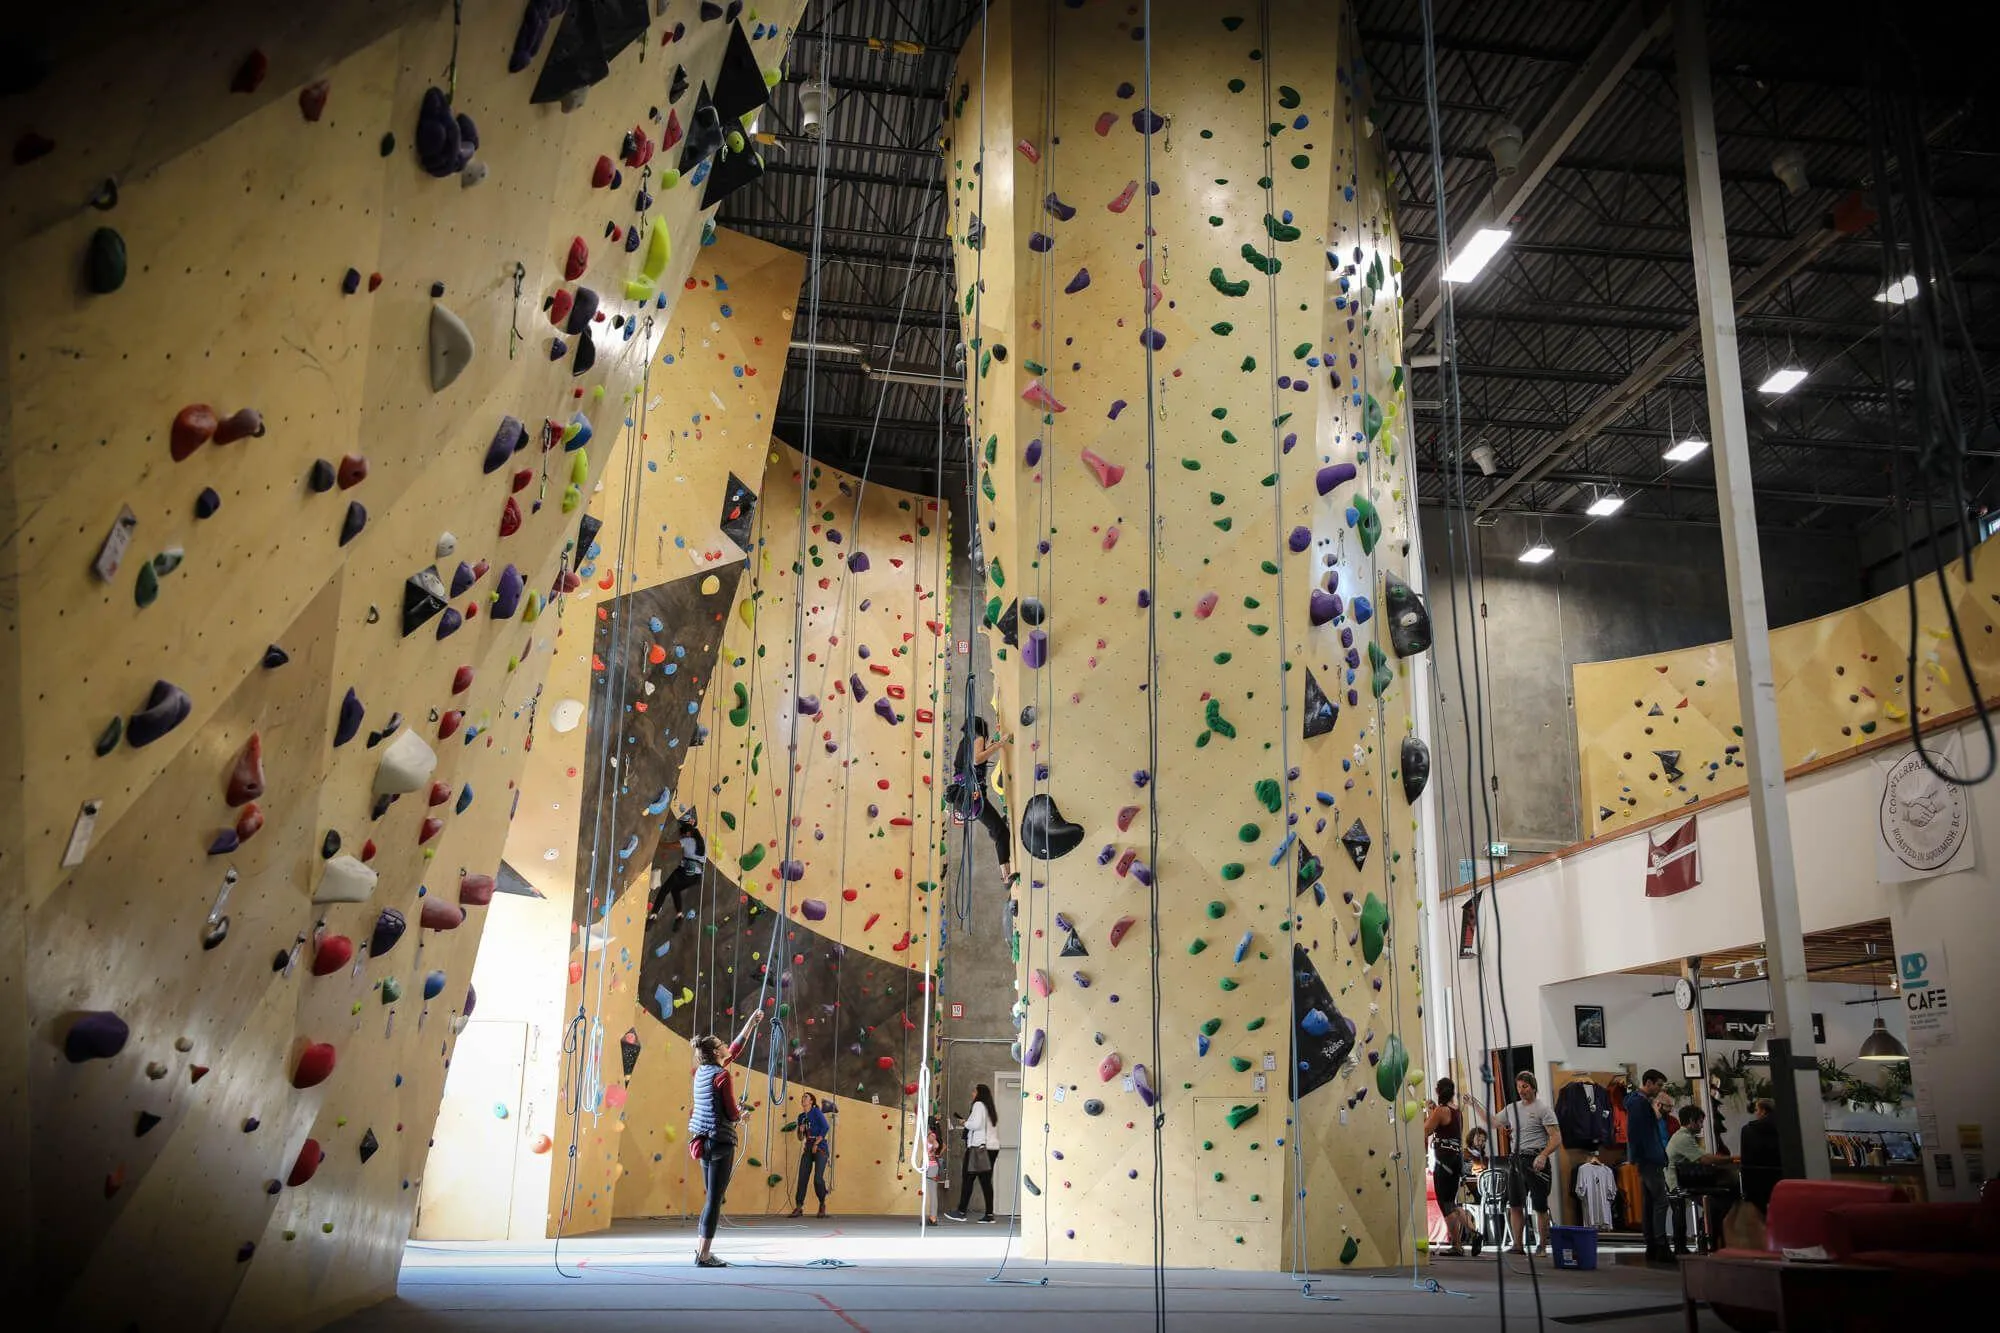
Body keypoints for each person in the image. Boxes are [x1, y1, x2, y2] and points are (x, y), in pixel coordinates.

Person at [688, 1008, 764, 1267]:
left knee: (711, 1198)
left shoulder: (703, 1071)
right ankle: (704, 1255)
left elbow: (735, 1049)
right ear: (716, 1052)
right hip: (720, 1141)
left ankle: (701, 1250)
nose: (725, 1046)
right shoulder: (722, 1075)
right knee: (714, 1200)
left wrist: (750, 1024)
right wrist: (741, 1116)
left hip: (703, 1140)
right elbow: (731, 1112)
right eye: (721, 1044)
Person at [1497, 1070, 1561, 1255]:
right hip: (1516, 1160)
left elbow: (1556, 1138)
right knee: (1515, 1204)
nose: (1521, 1090)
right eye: (1518, 1087)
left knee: (1540, 1205)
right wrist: (1474, 1105)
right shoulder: (1511, 1109)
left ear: (1533, 1087)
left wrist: (1543, 1155)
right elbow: (1493, 1122)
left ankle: (1542, 1246)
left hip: (1535, 1160)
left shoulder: (1543, 1109)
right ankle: (1518, 1245)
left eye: (1524, 1086)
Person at [1666, 1105, 1735, 1253]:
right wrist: (1732, 1159)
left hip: (1681, 1181)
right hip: (1678, 1183)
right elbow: (1704, 1159)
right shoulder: (1683, 1138)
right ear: (1692, 1121)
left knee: (1715, 1201)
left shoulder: (1683, 1137)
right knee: (1716, 1202)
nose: (1702, 1126)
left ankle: (1706, 1233)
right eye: (1700, 1122)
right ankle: (1707, 1234)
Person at [951, 717, 1013, 882]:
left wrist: (994, 743)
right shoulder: (977, 737)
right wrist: (1000, 744)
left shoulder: (965, 742)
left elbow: (976, 758)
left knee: (997, 828)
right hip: (971, 796)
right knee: (1001, 831)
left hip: (965, 797)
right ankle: (1006, 876)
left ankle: (1005, 873)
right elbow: (978, 759)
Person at [1425, 1077, 1480, 1257]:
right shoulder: (1457, 1111)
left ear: (1438, 1091)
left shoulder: (1441, 1111)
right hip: (1456, 1159)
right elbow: (1447, 1129)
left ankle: (1456, 1245)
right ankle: (1474, 1232)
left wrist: (1429, 1112)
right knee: (1452, 1203)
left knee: (1445, 1204)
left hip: (1444, 1161)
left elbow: (1426, 1130)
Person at [1625, 1069, 1674, 1263]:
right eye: (1659, 1085)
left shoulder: (1638, 1102)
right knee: (1661, 1201)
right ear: (1648, 1082)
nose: (1660, 1089)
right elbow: (1636, 1133)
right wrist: (1641, 1156)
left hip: (1647, 1158)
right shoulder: (1639, 1104)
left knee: (1650, 1203)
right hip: (1649, 1158)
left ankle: (1652, 1245)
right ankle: (1660, 1245)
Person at [943, 1083, 999, 1222]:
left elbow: (976, 1125)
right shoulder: (989, 1108)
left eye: (974, 1091)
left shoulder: (978, 1105)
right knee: (985, 1182)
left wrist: (965, 1123)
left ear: (980, 1094)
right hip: (991, 1148)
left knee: (968, 1178)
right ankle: (989, 1215)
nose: (972, 1094)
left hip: (978, 1148)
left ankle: (961, 1212)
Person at [647, 811, 707, 932]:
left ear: (688, 833)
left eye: (683, 835)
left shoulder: (688, 840)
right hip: (696, 877)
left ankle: (653, 916)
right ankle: (679, 915)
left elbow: (670, 846)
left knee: (664, 890)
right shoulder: (703, 843)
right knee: (675, 890)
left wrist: (657, 843)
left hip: (684, 872)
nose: (682, 837)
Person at [788, 1091, 831, 1219]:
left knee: (818, 1179)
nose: (803, 1099)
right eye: (802, 1097)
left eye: (806, 1097)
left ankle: (822, 1204)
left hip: (820, 1147)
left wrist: (816, 1144)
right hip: (808, 1148)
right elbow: (800, 1138)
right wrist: (800, 1130)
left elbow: (825, 1127)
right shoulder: (801, 1117)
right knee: (802, 1177)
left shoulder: (816, 1112)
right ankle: (799, 1207)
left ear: (811, 1101)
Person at [1737, 1097, 1783, 1212]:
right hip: (1781, 1181)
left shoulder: (1747, 1130)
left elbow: (1745, 1159)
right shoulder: (1784, 1128)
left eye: (1757, 1110)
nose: (1756, 1113)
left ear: (1763, 1111)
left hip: (1755, 1184)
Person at [922, 1120, 946, 1225]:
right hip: (931, 1166)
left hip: (931, 1167)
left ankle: (933, 1218)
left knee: (932, 1193)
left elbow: (936, 1145)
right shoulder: (933, 1135)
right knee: (932, 1193)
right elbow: (943, 1145)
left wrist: (931, 1153)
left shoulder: (931, 1135)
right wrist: (936, 1154)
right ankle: (932, 1217)